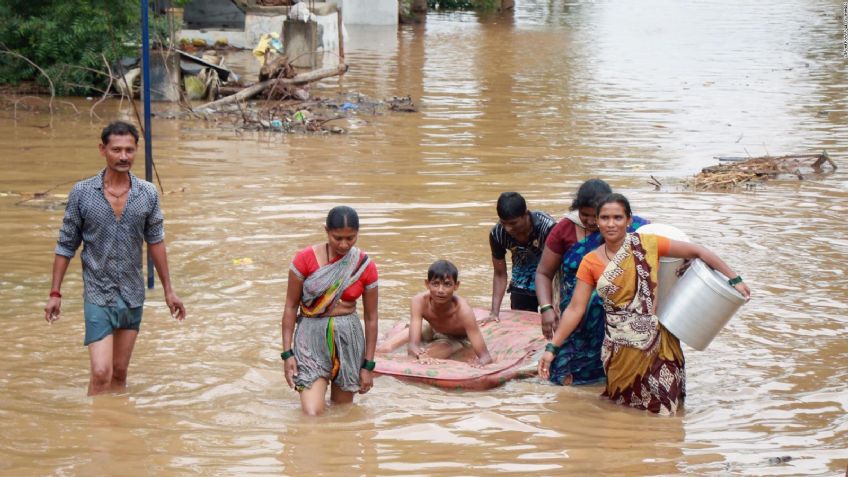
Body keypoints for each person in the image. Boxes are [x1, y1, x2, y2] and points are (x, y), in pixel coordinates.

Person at [538, 193, 750, 414]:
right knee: (623, 412)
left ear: (629, 220)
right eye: (605, 218)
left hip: (659, 346)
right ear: (597, 222)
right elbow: (575, 309)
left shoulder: (648, 246)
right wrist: (552, 348)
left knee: (667, 412)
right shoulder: (590, 262)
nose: (611, 224)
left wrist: (735, 280)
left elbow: (697, 250)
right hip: (619, 352)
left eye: (618, 218)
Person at [43, 120, 186, 396]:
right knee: (101, 372)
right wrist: (55, 293)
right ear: (102, 150)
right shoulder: (82, 193)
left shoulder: (147, 193)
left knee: (119, 373)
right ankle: (95, 434)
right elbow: (65, 245)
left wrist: (169, 291)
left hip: (132, 294)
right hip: (97, 294)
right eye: (116, 150)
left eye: (129, 150)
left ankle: (116, 429)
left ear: (136, 151)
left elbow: (155, 241)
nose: (123, 157)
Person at [535, 179, 648, 385]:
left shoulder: (637, 228)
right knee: (562, 377)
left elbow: (666, 254)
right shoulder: (564, 230)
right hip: (575, 318)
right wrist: (546, 308)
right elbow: (543, 272)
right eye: (583, 214)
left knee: (617, 377)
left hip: (618, 320)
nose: (588, 221)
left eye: (593, 215)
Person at [281, 206, 379, 416]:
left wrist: (368, 366)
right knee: (312, 414)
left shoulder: (364, 266)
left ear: (357, 234)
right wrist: (287, 353)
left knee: (343, 413)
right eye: (337, 238)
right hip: (310, 339)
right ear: (326, 231)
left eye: (350, 238)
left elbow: (371, 318)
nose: (344, 244)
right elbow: (290, 306)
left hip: (348, 341)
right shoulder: (304, 259)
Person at [407, 260, 493, 366]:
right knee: (389, 346)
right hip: (433, 329)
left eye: (447, 284)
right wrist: (417, 352)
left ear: (456, 286)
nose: (440, 290)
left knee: (428, 357)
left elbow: (485, 356)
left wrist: (479, 363)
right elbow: (412, 345)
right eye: (435, 284)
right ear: (427, 284)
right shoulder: (418, 301)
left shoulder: (464, 311)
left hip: (457, 338)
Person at [489, 192, 555, 320]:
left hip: (549, 282)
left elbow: (558, 266)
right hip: (521, 284)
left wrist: (550, 307)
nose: (508, 229)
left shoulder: (547, 227)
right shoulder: (497, 234)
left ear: (526, 214)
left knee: (553, 323)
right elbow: (499, 274)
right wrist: (494, 312)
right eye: (503, 223)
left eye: (513, 223)